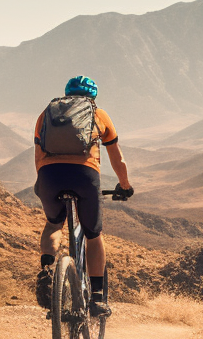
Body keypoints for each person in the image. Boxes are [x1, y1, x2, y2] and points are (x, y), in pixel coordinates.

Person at [33, 75, 134, 316]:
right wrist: (125, 185)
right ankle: (97, 298)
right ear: (93, 97)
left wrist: (44, 182)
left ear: (67, 94)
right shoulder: (99, 115)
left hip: (49, 176)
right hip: (84, 176)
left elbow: (38, 156)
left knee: (53, 224)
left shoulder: (46, 114)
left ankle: (47, 269)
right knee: (93, 234)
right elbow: (117, 158)